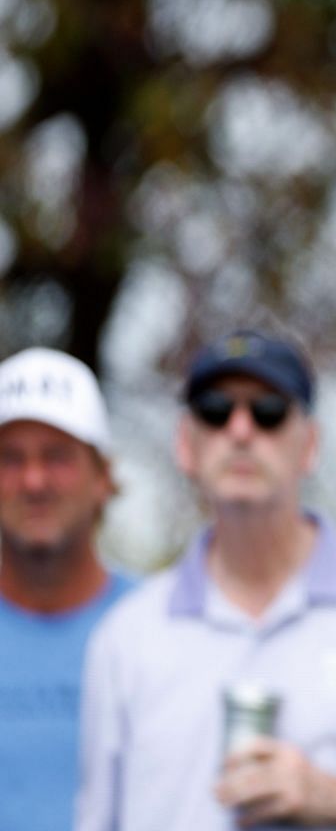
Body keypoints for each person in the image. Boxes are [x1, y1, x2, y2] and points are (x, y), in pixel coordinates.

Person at [76, 329, 336, 831]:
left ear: (310, 444)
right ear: (184, 445)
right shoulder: (127, 637)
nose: (240, 430)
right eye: (215, 410)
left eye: (269, 411)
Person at [0, 348, 136, 831]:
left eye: (57, 457)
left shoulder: (161, 626)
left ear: (102, 477)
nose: (34, 481)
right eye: (11, 459)